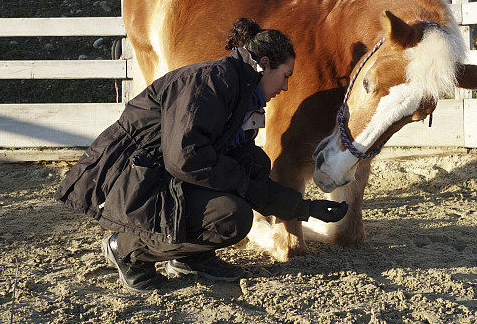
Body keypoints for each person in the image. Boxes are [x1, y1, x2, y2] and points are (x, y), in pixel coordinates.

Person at [54, 18, 348, 294]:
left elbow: (241, 172)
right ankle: (127, 249)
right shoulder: (210, 83)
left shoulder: (241, 94)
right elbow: (185, 158)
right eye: (285, 76)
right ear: (265, 64)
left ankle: (189, 258)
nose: (285, 87)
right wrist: (242, 186)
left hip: (160, 176)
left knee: (255, 165)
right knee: (232, 217)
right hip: (128, 179)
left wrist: (303, 208)